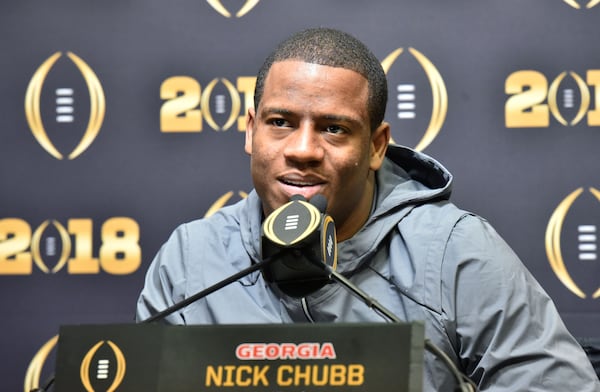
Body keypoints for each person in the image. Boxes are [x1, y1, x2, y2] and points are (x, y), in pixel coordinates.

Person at [136, 27, 600, 390]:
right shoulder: (190, 261)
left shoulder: (453, 252)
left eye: (333, 129)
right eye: (280, 122)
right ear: (250, 131)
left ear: (377, 146)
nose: (302, 149)